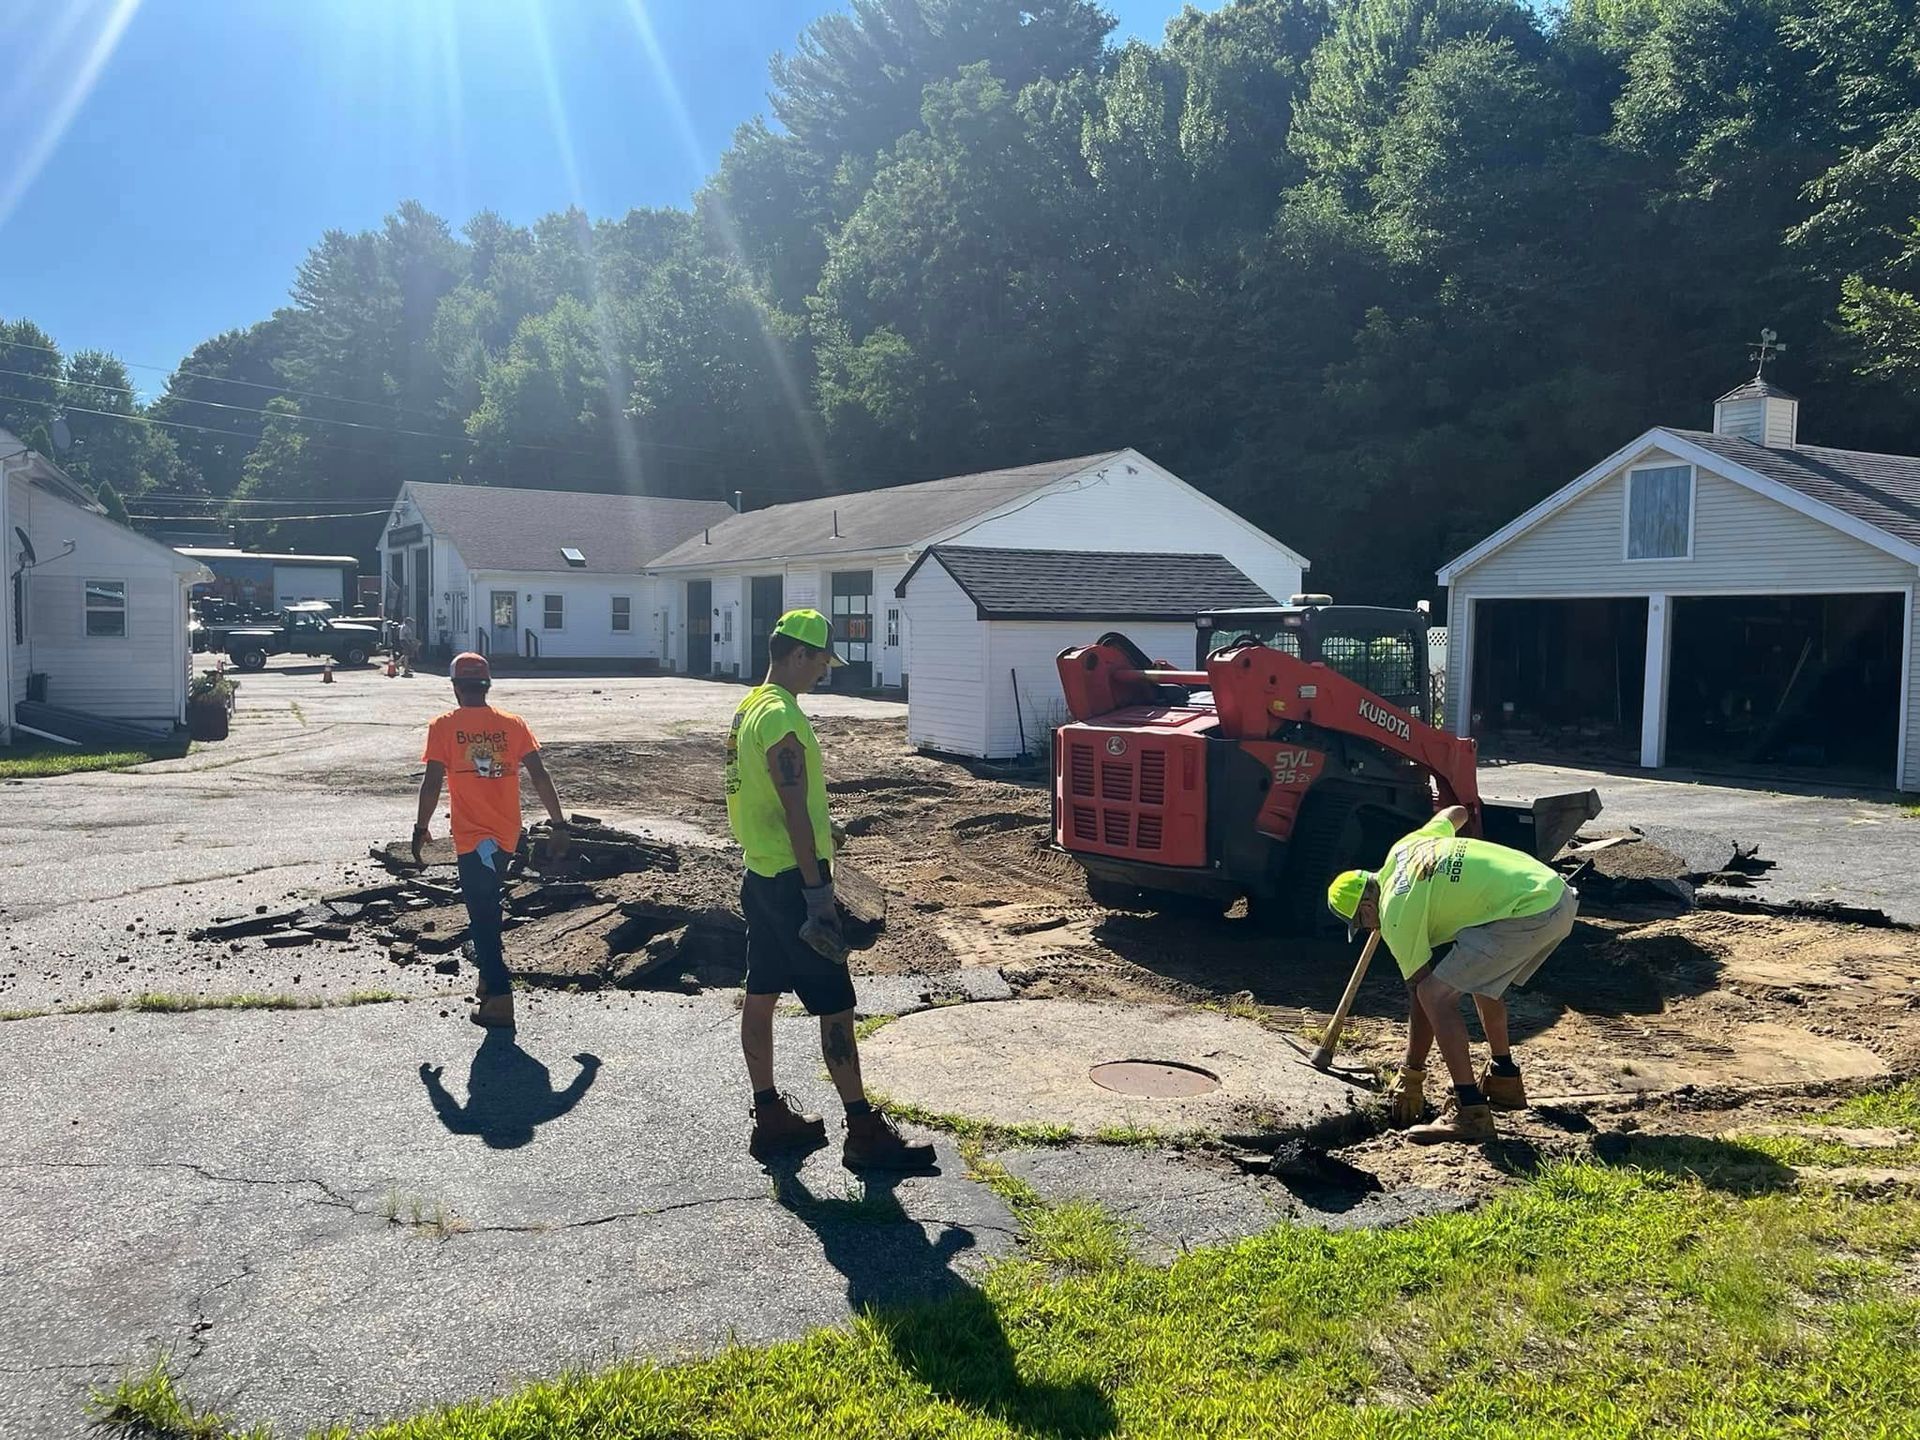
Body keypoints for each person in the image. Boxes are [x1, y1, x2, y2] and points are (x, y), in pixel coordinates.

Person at [726, 608, 936, 1171]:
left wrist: (825, 826)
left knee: (762, 993)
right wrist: (819, 894)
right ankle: (863, 1133)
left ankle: (770, 1117)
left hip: (760, 876)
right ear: (799, 655)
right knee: (837, 1007)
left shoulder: (749, 708)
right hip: (797, 882)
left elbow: (772, 799)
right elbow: (792, 804)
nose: (824, 671)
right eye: (821, 661)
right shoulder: (782, 717)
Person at [1326, 805, 1578, 1143]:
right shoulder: (1405, 847)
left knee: (1435, 994)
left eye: (1362, 923)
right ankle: (1504, 1081)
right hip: (1553, 894)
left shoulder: (1396, 913)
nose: (1371, 928)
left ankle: (1469, 1111)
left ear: (1368, 908)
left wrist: (1412, 1074)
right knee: (1476, 975)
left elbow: (1422, 999)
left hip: (1529, 912)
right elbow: (1456, 813)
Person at [412, 652, 569, 1027]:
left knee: (482, 918)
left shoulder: (443, 726)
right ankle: (487, 983)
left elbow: (432, 782)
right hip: (505, 837)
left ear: (455, 687)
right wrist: (560, 823)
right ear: (487, 685)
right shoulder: (512, 725)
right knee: (489, 910)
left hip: (472, 840)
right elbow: (540, 775)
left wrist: (420, 829)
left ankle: (499, 999)